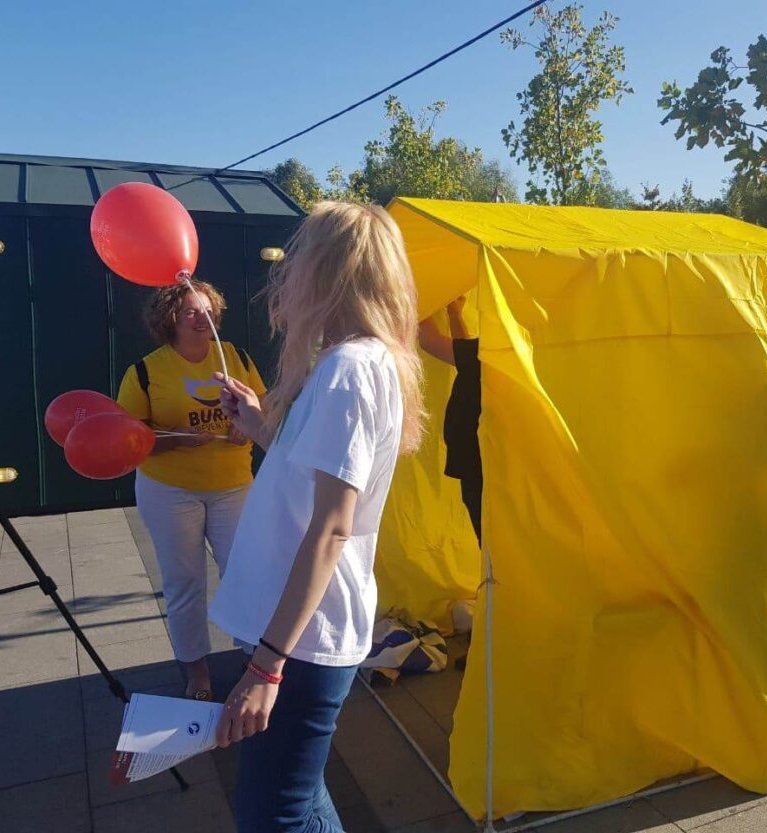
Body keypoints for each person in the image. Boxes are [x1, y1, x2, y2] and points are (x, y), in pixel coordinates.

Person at [208, 202, 425, 833]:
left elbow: (332, 526)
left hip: (301, 636)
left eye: (302, 260)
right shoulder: (364, 361)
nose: (290, 275)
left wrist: (265, 664)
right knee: (298, 800)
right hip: (305, 628)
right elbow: (321, 481)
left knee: (271, 813)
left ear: (329, 274)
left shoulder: (348, 370)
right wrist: (259, 428)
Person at [117, 280, 266, 701]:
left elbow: (264, 406)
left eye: (209, 311)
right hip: (170, 490)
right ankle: (197, 672)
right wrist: (176, 439)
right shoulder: (145, 371)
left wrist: (247, 426)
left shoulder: (234, 356)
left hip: (234, 486)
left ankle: (255, 660)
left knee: (243, 575)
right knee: (185, 583)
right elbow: (126, 436)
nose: (203, 320)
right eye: (191, 313)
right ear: (170, 320)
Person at [418, 297, 482, 543]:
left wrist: (421, 300)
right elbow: (464, 353)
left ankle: (498, 578)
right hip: (481, 459)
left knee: (488, 534)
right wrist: (454, 313)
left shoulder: (486, 355)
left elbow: (429, 341)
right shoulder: (502, 352)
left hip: (479, 461)